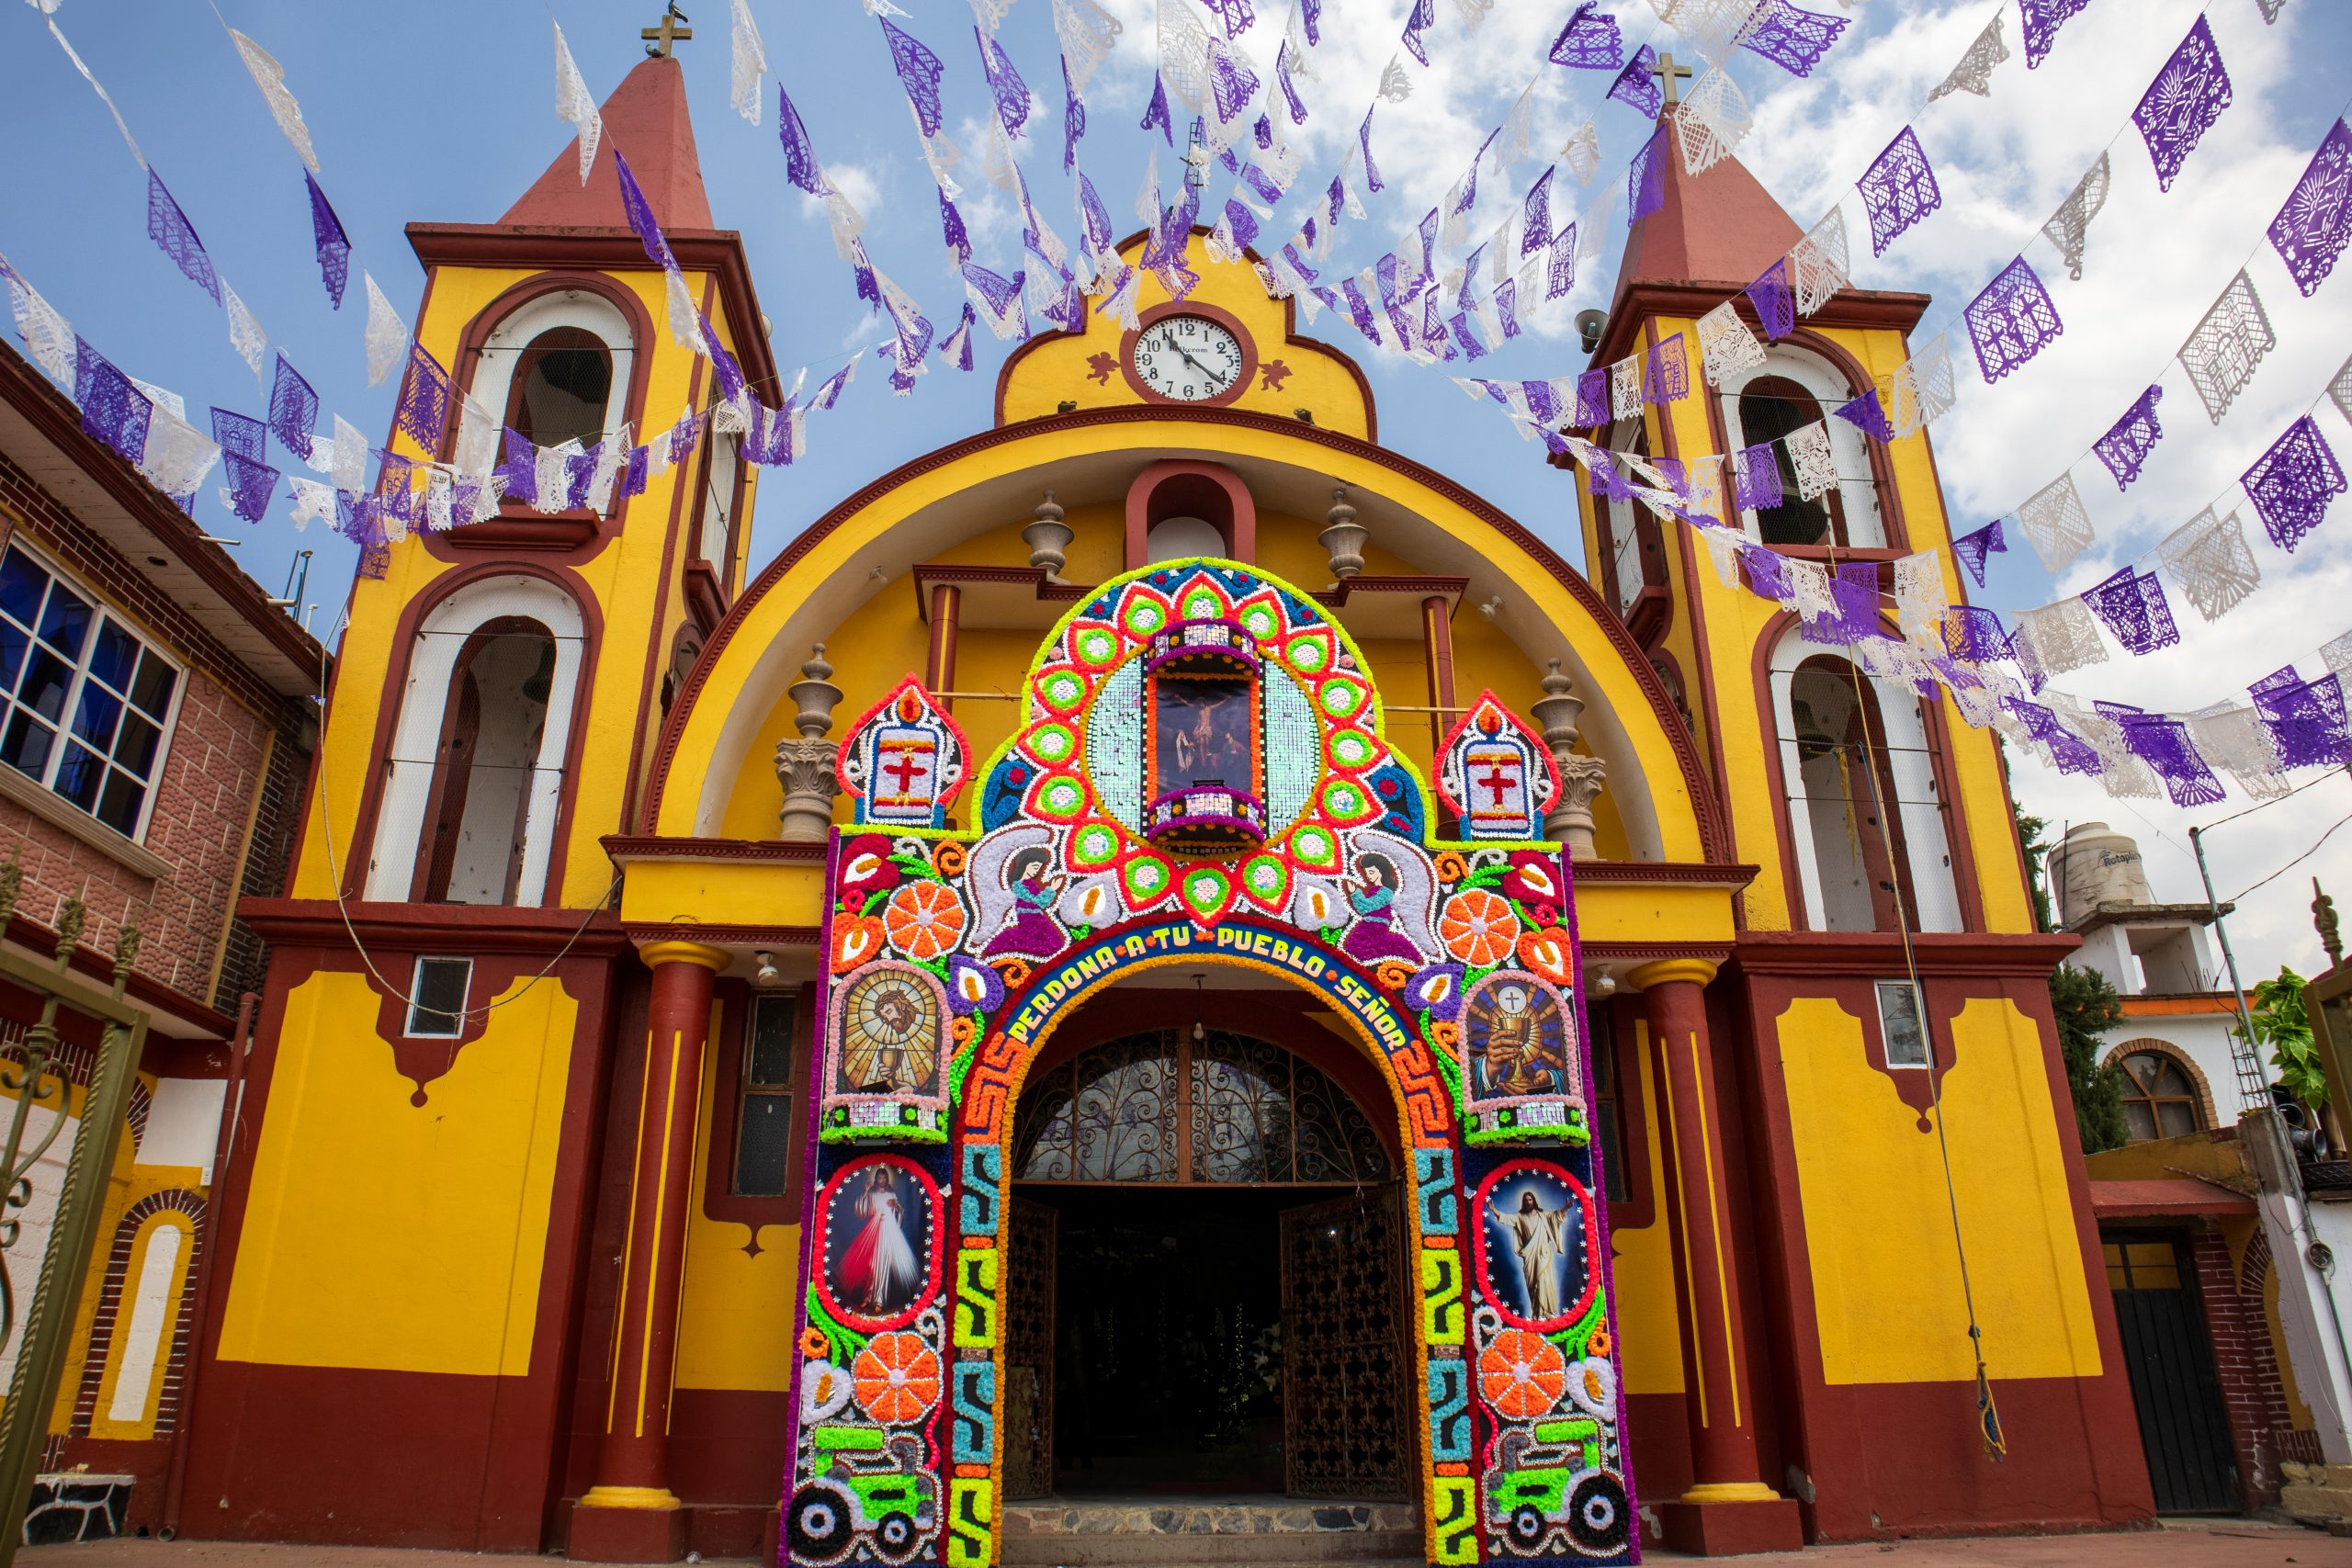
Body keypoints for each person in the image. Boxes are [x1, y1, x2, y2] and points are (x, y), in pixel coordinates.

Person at [839, 1167, 921, 1316]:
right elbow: (861, 1211)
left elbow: (899, 1213)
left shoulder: (891, 1194)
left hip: (889, 1232)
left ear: (887, 1179)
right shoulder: (871, 1194)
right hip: (874, 1231)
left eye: (884, 1177)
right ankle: (868, 1297)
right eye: (880, 1177)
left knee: (883, 1266)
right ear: (876, 1179)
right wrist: (865, 1192)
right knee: (873, 1265)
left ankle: (879, 1301)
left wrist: (897, 1207)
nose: (882, 1180)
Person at [1490, 1187, 1576, 1321]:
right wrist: (1493, 1210)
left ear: (1534, 1201)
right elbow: (1506, 1218)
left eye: (1530, 1200)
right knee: (1533, 1283)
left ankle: (1547, 1312)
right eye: (1526, 1200)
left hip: (1543, 1253)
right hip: (1529, 1255)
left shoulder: (1543, 1216)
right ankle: (1537, 1312)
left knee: (1544, 1280)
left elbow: (1557, 1216)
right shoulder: (1520, 1217)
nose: (1528, 1202)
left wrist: (1566, 1207)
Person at [1340, 852, 1424, 966]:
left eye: (1371, 872)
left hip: (1375, 927)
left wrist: (1354, 892)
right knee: (1355, 948)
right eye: (1366, 872)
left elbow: (1366, 907)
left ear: (1381, 871)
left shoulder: (1385, 892)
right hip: (1369, 925)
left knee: (1361, 948)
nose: (1368, 876)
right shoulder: (1376, 889)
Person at [983, 847, 1066, 959]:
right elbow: (1037, 902)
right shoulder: (1019, 885)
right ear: (1025, 864)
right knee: (1051, 944)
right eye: (1035, 867)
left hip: (1036, 917)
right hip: (1029, 918)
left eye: (1039, 868)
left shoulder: (1029, 882)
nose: (1037, 871)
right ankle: (1010, 939)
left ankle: (1014, 938)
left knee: (1054, 942)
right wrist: (1052, 889)